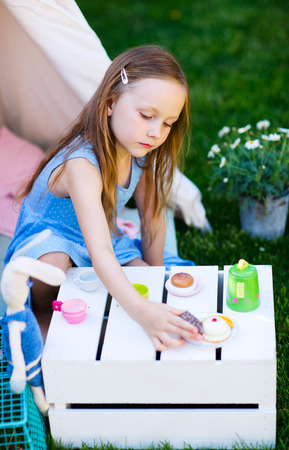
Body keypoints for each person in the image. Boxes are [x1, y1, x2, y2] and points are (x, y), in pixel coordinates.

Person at [5, 45, 202, 350]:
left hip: (100, 238)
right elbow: (100, 253)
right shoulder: (81, 164)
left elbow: (152, 218)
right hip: (52, 240)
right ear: (110, 103)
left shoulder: (141, 152)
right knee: (56, 268)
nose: (155, 132)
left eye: (167, 123)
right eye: (147, 115)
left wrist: (155, 282)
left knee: (142, 285)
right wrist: (142, 312)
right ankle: (41, 319)